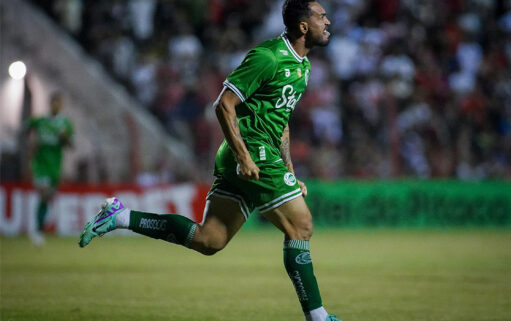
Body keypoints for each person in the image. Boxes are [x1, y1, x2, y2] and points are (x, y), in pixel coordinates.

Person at [79, 1, 341, 320]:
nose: (328, 21)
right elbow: (223, 105)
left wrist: (289, 171)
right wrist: (245, 157)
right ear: (303, 26)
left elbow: (280, 120)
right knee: (301, 226)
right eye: (321, 16)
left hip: (257, 154)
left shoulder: (303, 67)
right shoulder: (269, 56)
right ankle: (319, 317)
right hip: (251, 149)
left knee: (209, 240)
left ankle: (120, 216)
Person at [26, 92, 74, 245]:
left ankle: (38, 227)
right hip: (40, 165)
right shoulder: (40, 121)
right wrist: (31, 147)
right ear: (50, 104)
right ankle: (37, 230)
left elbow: (70, 146)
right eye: (55, 103)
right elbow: (25, 128)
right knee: (45, 193)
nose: (57, 106)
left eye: (59, 103)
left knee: (47, 198)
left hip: (55, 167)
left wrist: (65, 137)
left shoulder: (65, 124)